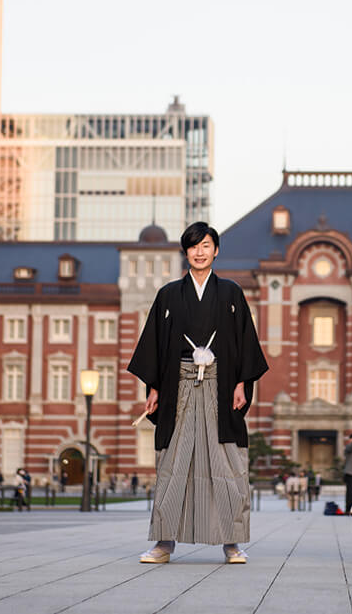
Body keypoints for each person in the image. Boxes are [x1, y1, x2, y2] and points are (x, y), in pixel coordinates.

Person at [127, 222, 269, 565]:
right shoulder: (169, 295)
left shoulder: (232, 293)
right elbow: (156, 346)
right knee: (173, 463)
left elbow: (244, 341)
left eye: (206, 245)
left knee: (227, 463)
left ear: (216, 250)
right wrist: (155, 388)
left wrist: (241, 384)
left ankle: (232, 542)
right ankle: (164, 543)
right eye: (193, 246)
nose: (200, 251)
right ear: (186, 251)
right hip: (180, 386)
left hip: (221, 385)